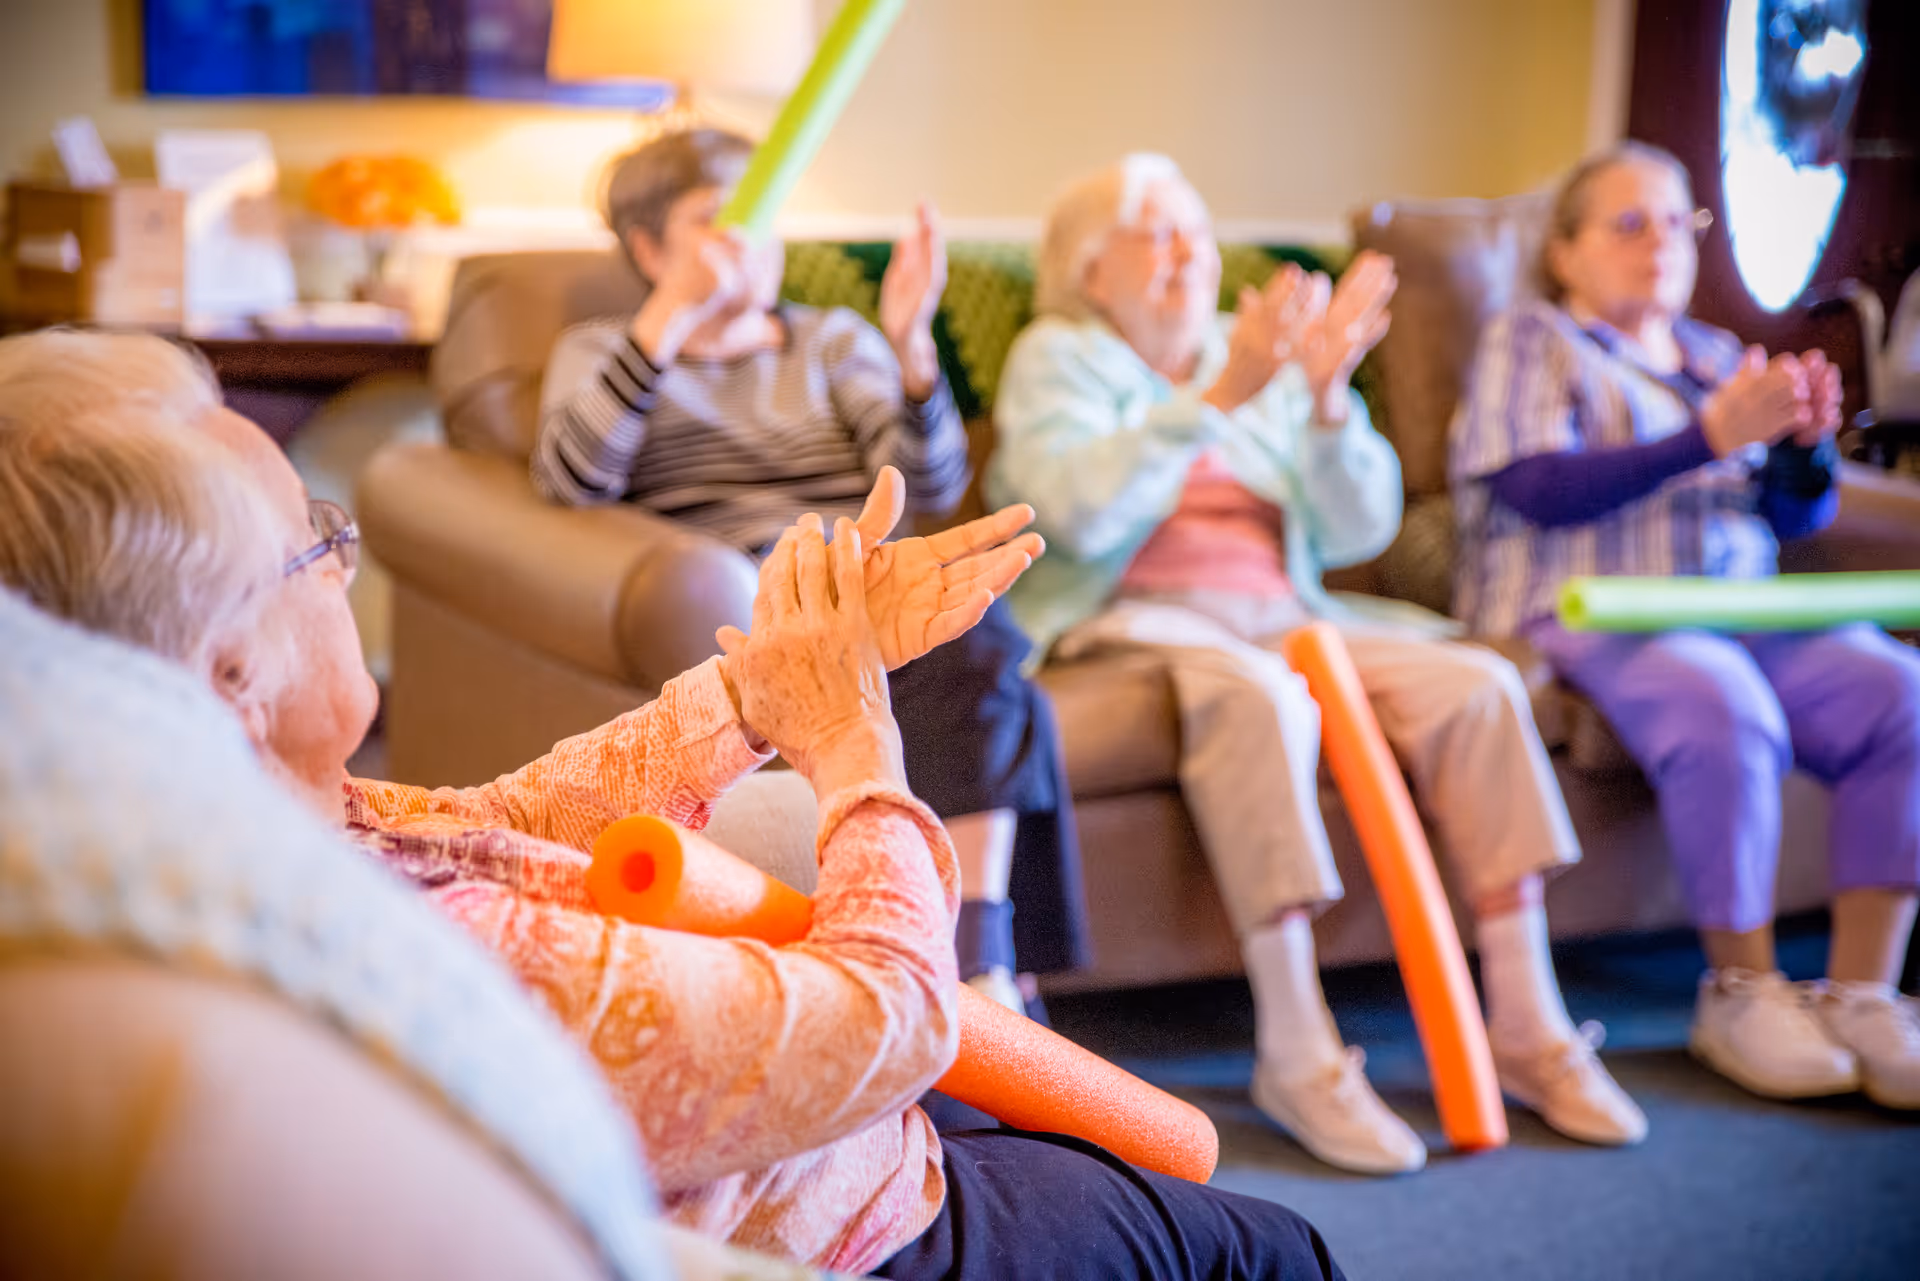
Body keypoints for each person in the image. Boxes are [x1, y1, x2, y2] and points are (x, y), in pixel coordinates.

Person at [0, 329, 1347, 1280]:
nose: (346, 571)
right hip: (868, 1230)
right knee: (1274, 1249)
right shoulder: (454, 962)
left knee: (1134, 1149)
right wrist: (855, 751)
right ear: (232, 668)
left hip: (854, 1139)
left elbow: (507, 817)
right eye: (318, 541)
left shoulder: (282, 825)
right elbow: (889, 1022)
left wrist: (762, 690)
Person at [988, 154, 1644, 1175]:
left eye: (1196, 232)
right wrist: (1216, 398)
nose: (1185, 252)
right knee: (1265, 702)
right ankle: (1296, 1047)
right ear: (1087, 270)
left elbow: (1354, 527)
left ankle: (1527, 1018)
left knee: (1480, 685)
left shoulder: (1249, 352)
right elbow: (1070, 511)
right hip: (1140, 622)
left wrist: (1329, 398)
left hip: (1291, 613)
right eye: (1152, 232)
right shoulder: (1058, 358)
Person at [532, 127, 1087, 1012]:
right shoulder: (605, 349)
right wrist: (668, 318)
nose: (748, 241)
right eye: (717, 220)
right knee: (999, 678)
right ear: (649, 246)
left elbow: (933, 479)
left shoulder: (829, 339)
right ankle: (988, 966)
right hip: (746, 582)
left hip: (859, 569)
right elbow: (573, 478)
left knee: (982, 638)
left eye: (762, 215)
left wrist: (910, 347)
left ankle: (976, 957)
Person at [1450, 141, 1920, 1110]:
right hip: (1583, 605)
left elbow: (1795, 521)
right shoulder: (1534, 340)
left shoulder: (1717, 357)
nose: (1660, 240)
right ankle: (1741, 989)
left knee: (1899, 693)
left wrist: (1801, 451)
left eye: (1676, 221)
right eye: (1629, 223)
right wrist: (1707, 437)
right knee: (1724, 702)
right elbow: (1538, 488)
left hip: (1739, 604)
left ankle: (1864, 994)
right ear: (1567, 252)